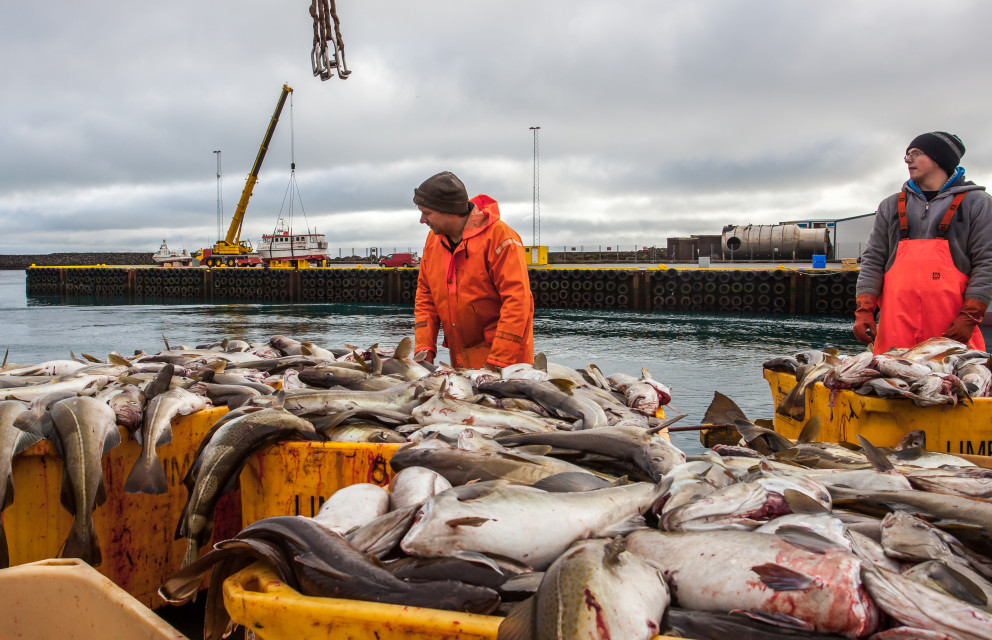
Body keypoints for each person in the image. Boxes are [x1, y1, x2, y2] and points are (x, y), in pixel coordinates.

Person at [854, 132, 992, 353]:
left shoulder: (978, 204)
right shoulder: (890, 206)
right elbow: (873, 260)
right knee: (892, 382)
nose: (908, 160)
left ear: (940, 159)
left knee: (951, 385)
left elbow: (987, 263)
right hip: (895, 330)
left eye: (916, 154)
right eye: (907, 155)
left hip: (951, 331)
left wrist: (970, 317)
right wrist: (864, 310)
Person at [412, 171, 534, 369]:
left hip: (506, 364)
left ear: (448, 211)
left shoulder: (500, 238)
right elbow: (426, 298)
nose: (422, 220)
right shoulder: (433, 242)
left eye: (427, 213)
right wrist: (423, 349)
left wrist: (499, 363)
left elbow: (517, 303)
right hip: (462, 362)